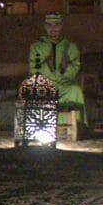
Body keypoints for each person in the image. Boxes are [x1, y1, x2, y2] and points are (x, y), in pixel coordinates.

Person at [24, 11, 85, 141]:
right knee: (38, 90)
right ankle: (43, 126)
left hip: (63, 82)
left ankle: (69, 126)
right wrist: (48, 66)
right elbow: (33, 68)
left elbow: (75, 66)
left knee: (75, 90)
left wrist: (64, 69)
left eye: (56, 25)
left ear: (61, 26)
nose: (53, 28)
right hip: (44, 83)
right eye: (50, 25)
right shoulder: (36, 46)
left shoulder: (70, 45)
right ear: (45, 26)